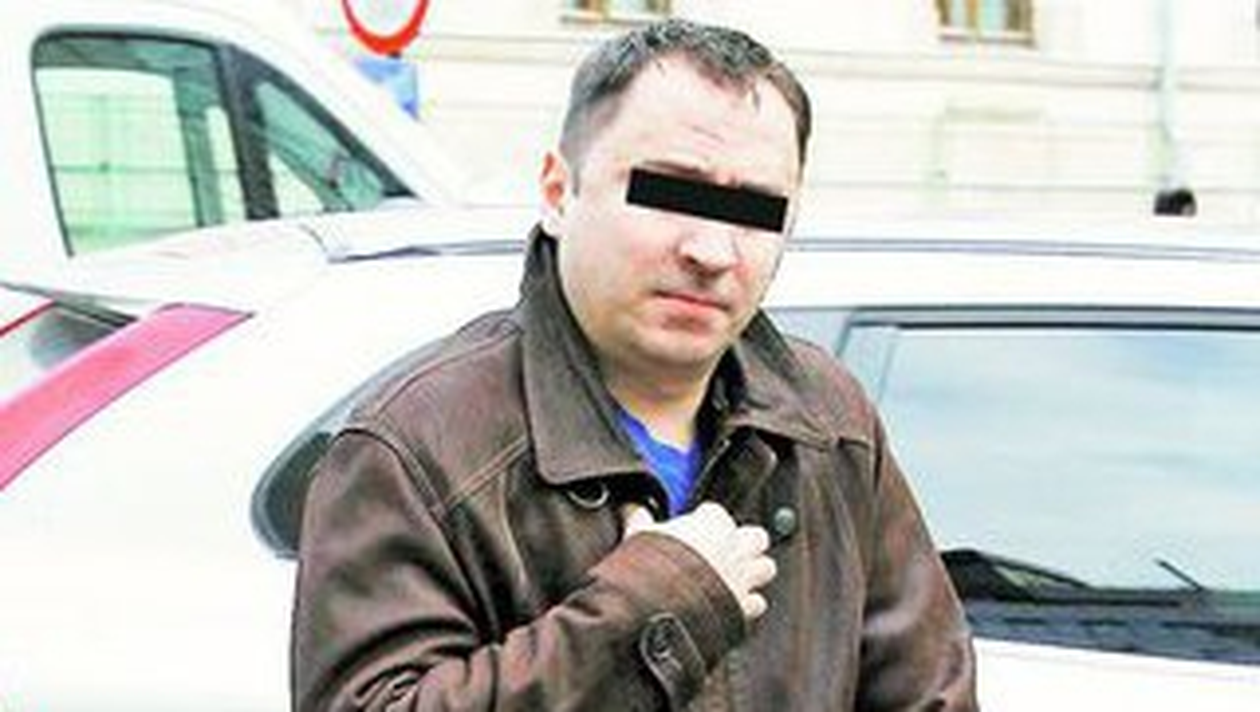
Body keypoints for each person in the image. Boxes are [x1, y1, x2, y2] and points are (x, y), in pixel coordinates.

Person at [292, 18, 977, 711]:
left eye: (754, 211)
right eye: (668, 192)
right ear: (559, 193)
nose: (711, 251)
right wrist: (650, 607)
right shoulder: (420, 446)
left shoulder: (828, 422)